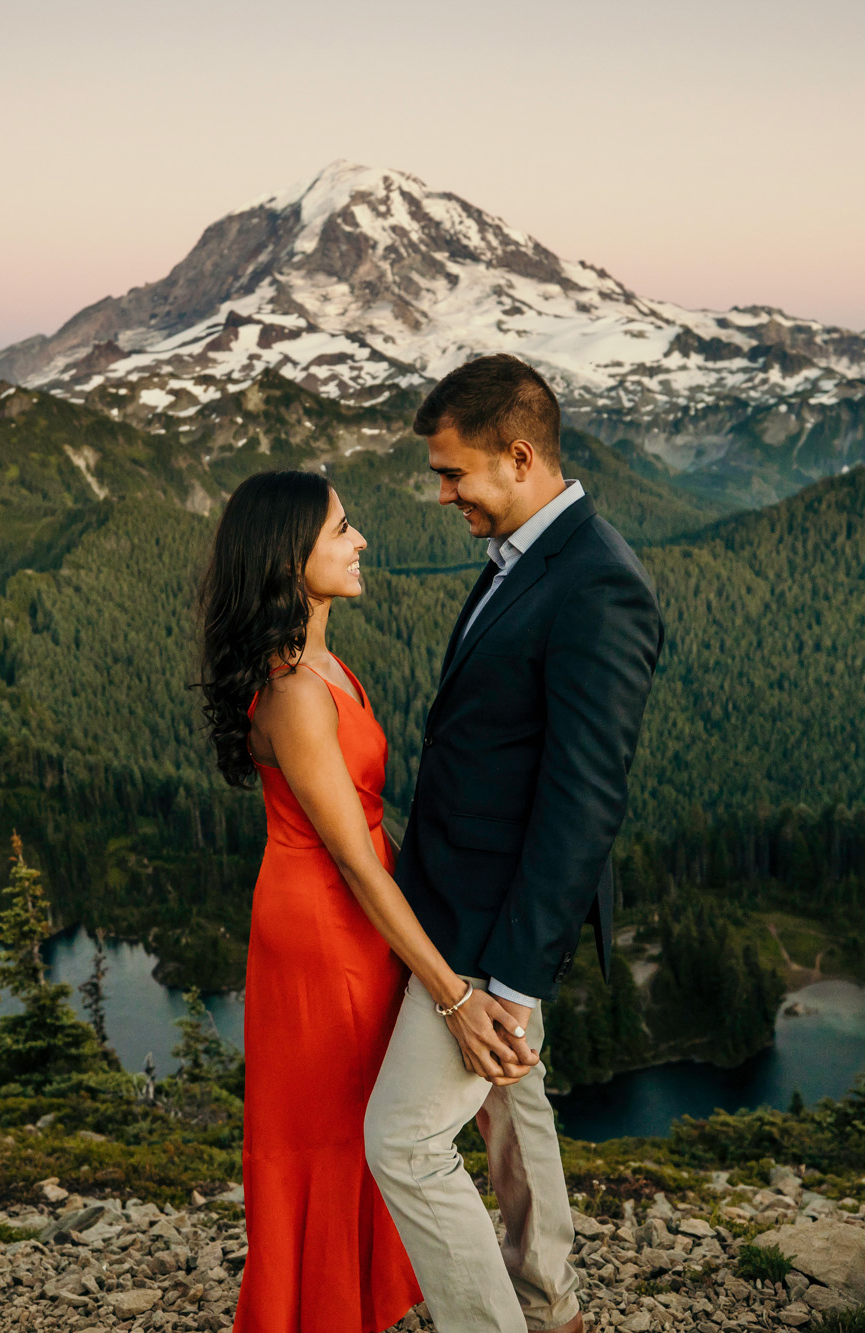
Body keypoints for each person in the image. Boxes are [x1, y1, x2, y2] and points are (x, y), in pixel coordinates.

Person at [196, 471, 541, 1333]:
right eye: (341, 529)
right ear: (289, 559)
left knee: (362, 1127)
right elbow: (354, 862)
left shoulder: (320, 662)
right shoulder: (295, 692)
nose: (360, 542)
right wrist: (454, 994)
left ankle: (345, 1306)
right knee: (331, 1128)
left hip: (353, 911)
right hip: (322, 927)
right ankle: (312, 1313)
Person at [365, 354, 663, 1333]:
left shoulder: (597, 585)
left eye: (454, 475)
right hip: (454, 898)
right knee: (508, 1106)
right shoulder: (529, 557)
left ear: (519, 455)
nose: (442, 494)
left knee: (403, 1144)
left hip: (495, 922)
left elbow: (583, 795)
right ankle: (548, 1306)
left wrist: (511, 980)